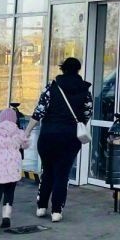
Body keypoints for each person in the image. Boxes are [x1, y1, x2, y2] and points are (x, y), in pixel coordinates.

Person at [25, 56, 92, 222]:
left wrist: (27, 131)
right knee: (62, 173)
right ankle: (56, 211)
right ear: (78, 70)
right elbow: (87, 114)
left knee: (47, 170)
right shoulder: (85, 90)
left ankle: (41, 207)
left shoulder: (53, 87)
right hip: (70, 137)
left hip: (48, 135)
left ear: (63, 69)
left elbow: (39, 111)